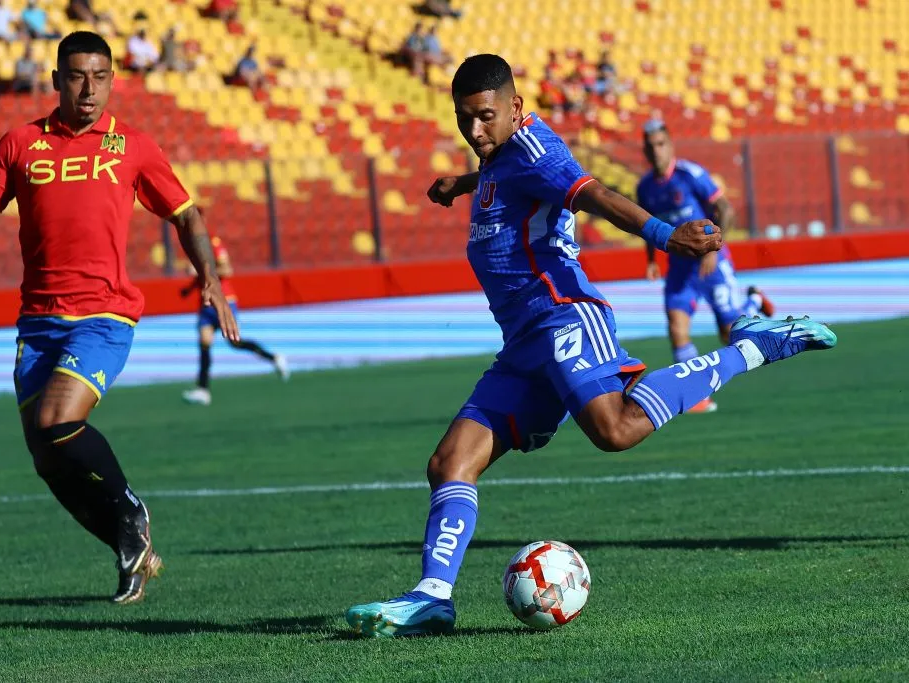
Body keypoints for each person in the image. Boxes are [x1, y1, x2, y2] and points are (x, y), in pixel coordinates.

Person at [344, 54, 837, 638]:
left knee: (616, 429)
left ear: (516, 109)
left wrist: (663, 234)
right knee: (449, 463)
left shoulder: (534, 149)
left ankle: (755, 345)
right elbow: (508, 175)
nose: (474, 132)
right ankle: (433, 598)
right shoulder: (501, 158)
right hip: (522, 342)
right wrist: (465, 182)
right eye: (463, 119)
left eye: (485, 117)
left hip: (563, 318)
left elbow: (590, 193)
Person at [0, 31, 239, 605]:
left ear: (112, 80)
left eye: (100, 77)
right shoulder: (20, 144)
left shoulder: (133, 147)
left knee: (57, 418)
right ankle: (130, 548)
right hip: (39, 321)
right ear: (56, 81)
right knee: (47, 458)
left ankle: (129, 507)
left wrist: (212, 282)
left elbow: (187, 214)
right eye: (77, 76)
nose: (89, 89)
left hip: (104, 314)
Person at [637, 119, 775, 413]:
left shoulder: (691, 175)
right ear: (645, 152)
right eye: (650, 147)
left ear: (670, 145)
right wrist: (651, 260)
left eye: (661, 144)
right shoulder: (645, 188)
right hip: (679, 270)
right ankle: (696, 396)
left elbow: (725, 208)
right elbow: (647, 226)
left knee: (731, 336)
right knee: (677, 329)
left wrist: (713, 249)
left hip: (713, 265)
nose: (656, 151)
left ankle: (753, 301)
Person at [180, 232, 289, 406]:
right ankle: (203, 389)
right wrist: (190, 287)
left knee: (234, 343)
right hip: (206, 303)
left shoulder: (213, 244)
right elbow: (203, 276)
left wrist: (201, 270)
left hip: (224, 301)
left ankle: (274, 358)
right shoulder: (192, 247)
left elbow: (226, 269)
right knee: (204, 342)